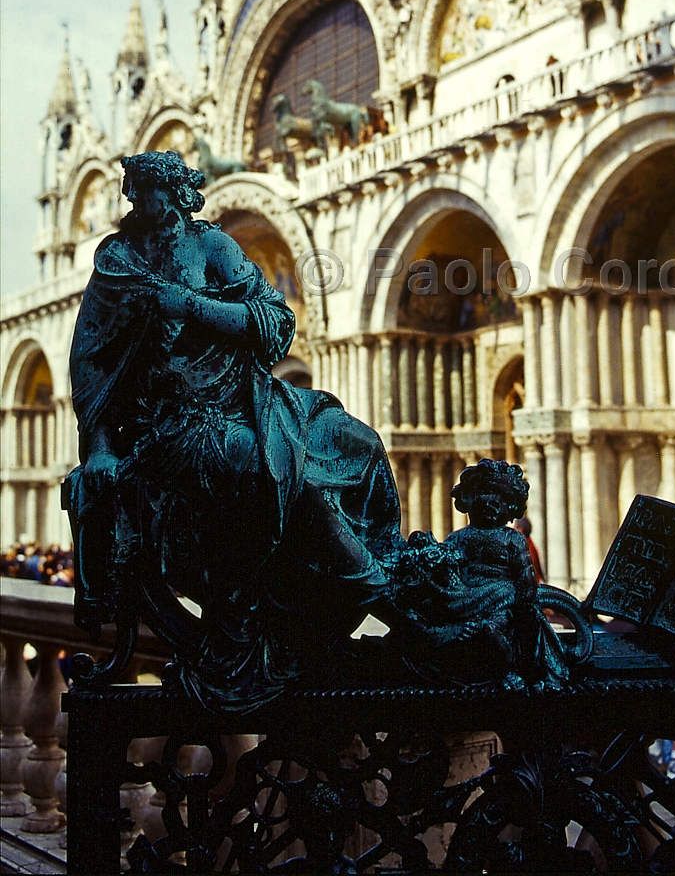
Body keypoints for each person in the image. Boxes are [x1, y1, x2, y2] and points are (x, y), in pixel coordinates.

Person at [65, 150, 403, 709]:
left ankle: (383, 571)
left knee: (357, 443)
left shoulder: (211, 246)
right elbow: (92, 362)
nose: (137, 200)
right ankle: (336, 596)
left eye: (148, 189)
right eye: (132, 190)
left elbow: (274, 317)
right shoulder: (116, 261)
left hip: (244, 395)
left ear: (174, 195)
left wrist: (192, 305)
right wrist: (99, 447)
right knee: (275, 471)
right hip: (171, 421)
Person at [393, 459, 569, 686]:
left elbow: (526, 581)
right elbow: (447, 570)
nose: (492, 502)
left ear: (512, 507)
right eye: (485, 492)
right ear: (467, 498)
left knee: (491, 630)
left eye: (502, 498)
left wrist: (521, 607)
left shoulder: (512, 539)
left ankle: (509, 672)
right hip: (464, 604)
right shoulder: (458, 538)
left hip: (502, 605)